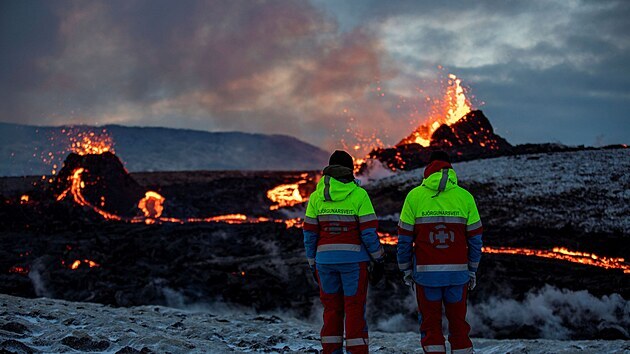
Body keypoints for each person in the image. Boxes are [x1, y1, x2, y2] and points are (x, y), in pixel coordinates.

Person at [396, 151, 482, 354]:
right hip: (457, 277)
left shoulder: (414, 196)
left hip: (426, 278)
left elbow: (404, 240)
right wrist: (472, 269)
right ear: (450, 169)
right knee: (459, 326)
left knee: (430, 327)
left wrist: (406, 269)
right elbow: (476, 240)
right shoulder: (465, 197)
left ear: (429, 169)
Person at [303, 150, 385, 354]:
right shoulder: (359, 195)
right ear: (350, 170)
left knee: (331, 310)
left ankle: (331, 350)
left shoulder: (316, 197)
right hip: (354, 264)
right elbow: (368, 233)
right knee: (354, 309)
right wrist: (379, 258)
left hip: (324, 263)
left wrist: (312, 262)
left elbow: (310, 235)